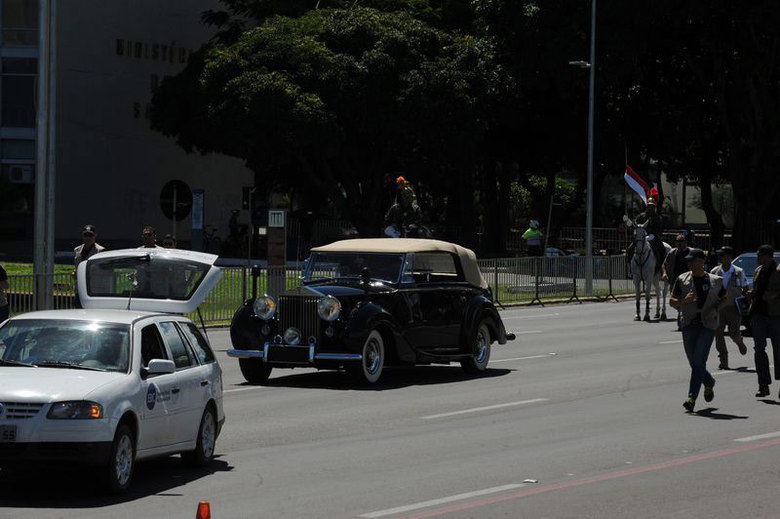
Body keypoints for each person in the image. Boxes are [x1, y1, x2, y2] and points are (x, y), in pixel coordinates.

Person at [670, 248, 726, 412]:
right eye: (688, 261)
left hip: (707, 325)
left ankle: (691, 397)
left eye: (693, 260)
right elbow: (672, 301)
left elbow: (725, 299)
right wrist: (683, 301)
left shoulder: (715, 280)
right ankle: (708, 382)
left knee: (699, 362)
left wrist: (716, 310)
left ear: (702, 262)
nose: (689, 263)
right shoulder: (682, 279)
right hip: (688, 323)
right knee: (693, 362)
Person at [746, 244, 780, 398]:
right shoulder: (757, 271)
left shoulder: (779, 271)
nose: (757, 258)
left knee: (778, 350)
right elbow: (757, 291)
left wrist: (775, 296)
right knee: (759, 350)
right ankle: (763, 385)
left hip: (775, 315)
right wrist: (751, 294)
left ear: (767, 256)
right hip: (758, 314)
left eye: (759, 255)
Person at [710, 246, 749, 370]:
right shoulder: (715, 271)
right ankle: (723, 360)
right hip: (719, 307)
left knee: (733, 333)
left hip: (733, 307)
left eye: (722, 255)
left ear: (729, 257)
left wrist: (748, 303)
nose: (720, 258)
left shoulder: (738, 271)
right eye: (719, 256)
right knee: (718, 333)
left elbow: (745, 288)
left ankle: (739, 341)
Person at [663, 234, 692, 329]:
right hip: (675, 281)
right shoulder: (672, 253)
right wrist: (665, 274)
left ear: (685, 243)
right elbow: (664, 265)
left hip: (688, 281)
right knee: (675, 301)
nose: (679, 244)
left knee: (687, 300)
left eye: (681, 242)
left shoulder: (691, 252)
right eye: (677, 242)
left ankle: (683, 319)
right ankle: (682, 314)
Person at [73, 224, 106, 309]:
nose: (88, 238)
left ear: (95, 236)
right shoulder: (77, 250)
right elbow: (77, 266)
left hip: (94, 289)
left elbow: (104, 271)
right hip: (79, 289)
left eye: (90, 235)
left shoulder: (100, 250)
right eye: (85, 235)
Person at [631, 197, 665, 270]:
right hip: (641, 236)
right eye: (649, 206)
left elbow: (660, 228)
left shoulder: (657, 217)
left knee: (662, 250)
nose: (650, 208)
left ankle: (661, 267)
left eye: (652, 206)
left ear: (654, 207)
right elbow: (635, 223)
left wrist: (654, 234)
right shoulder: (641, 216)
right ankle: (630, 267)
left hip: (654, 236)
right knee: (630, 248)